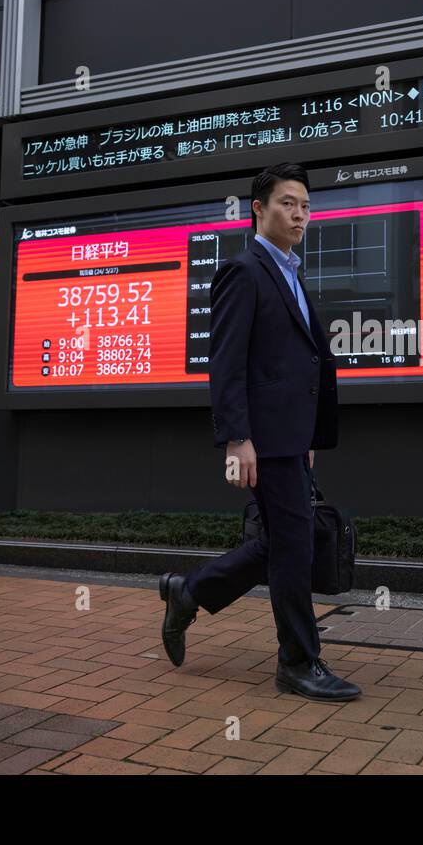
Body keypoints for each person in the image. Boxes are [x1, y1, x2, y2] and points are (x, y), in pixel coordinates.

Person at [158, 161, 361, 702]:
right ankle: (297, 662)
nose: (299, 215)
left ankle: (189, 592)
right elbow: (226, 364)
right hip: (262, 440)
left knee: (279, 540)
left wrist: (309, 437)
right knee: (293, 544)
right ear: (258, 208)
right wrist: (236, 438)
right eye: (287, 203)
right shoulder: (244, 270)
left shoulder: (291, 273)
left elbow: (303, 362)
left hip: (291, 438)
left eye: (304, 206)